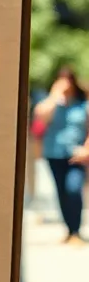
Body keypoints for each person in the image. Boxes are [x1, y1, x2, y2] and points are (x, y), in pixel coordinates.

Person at [33, 64, 89, 244]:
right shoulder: (51, 103)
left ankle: (76, 231)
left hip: (76, 155)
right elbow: (40, 116)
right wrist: (55, 95)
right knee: (61, 193)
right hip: (54, 153)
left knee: (73, 189)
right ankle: (69, 231)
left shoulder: (83, 104)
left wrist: (86, 149)